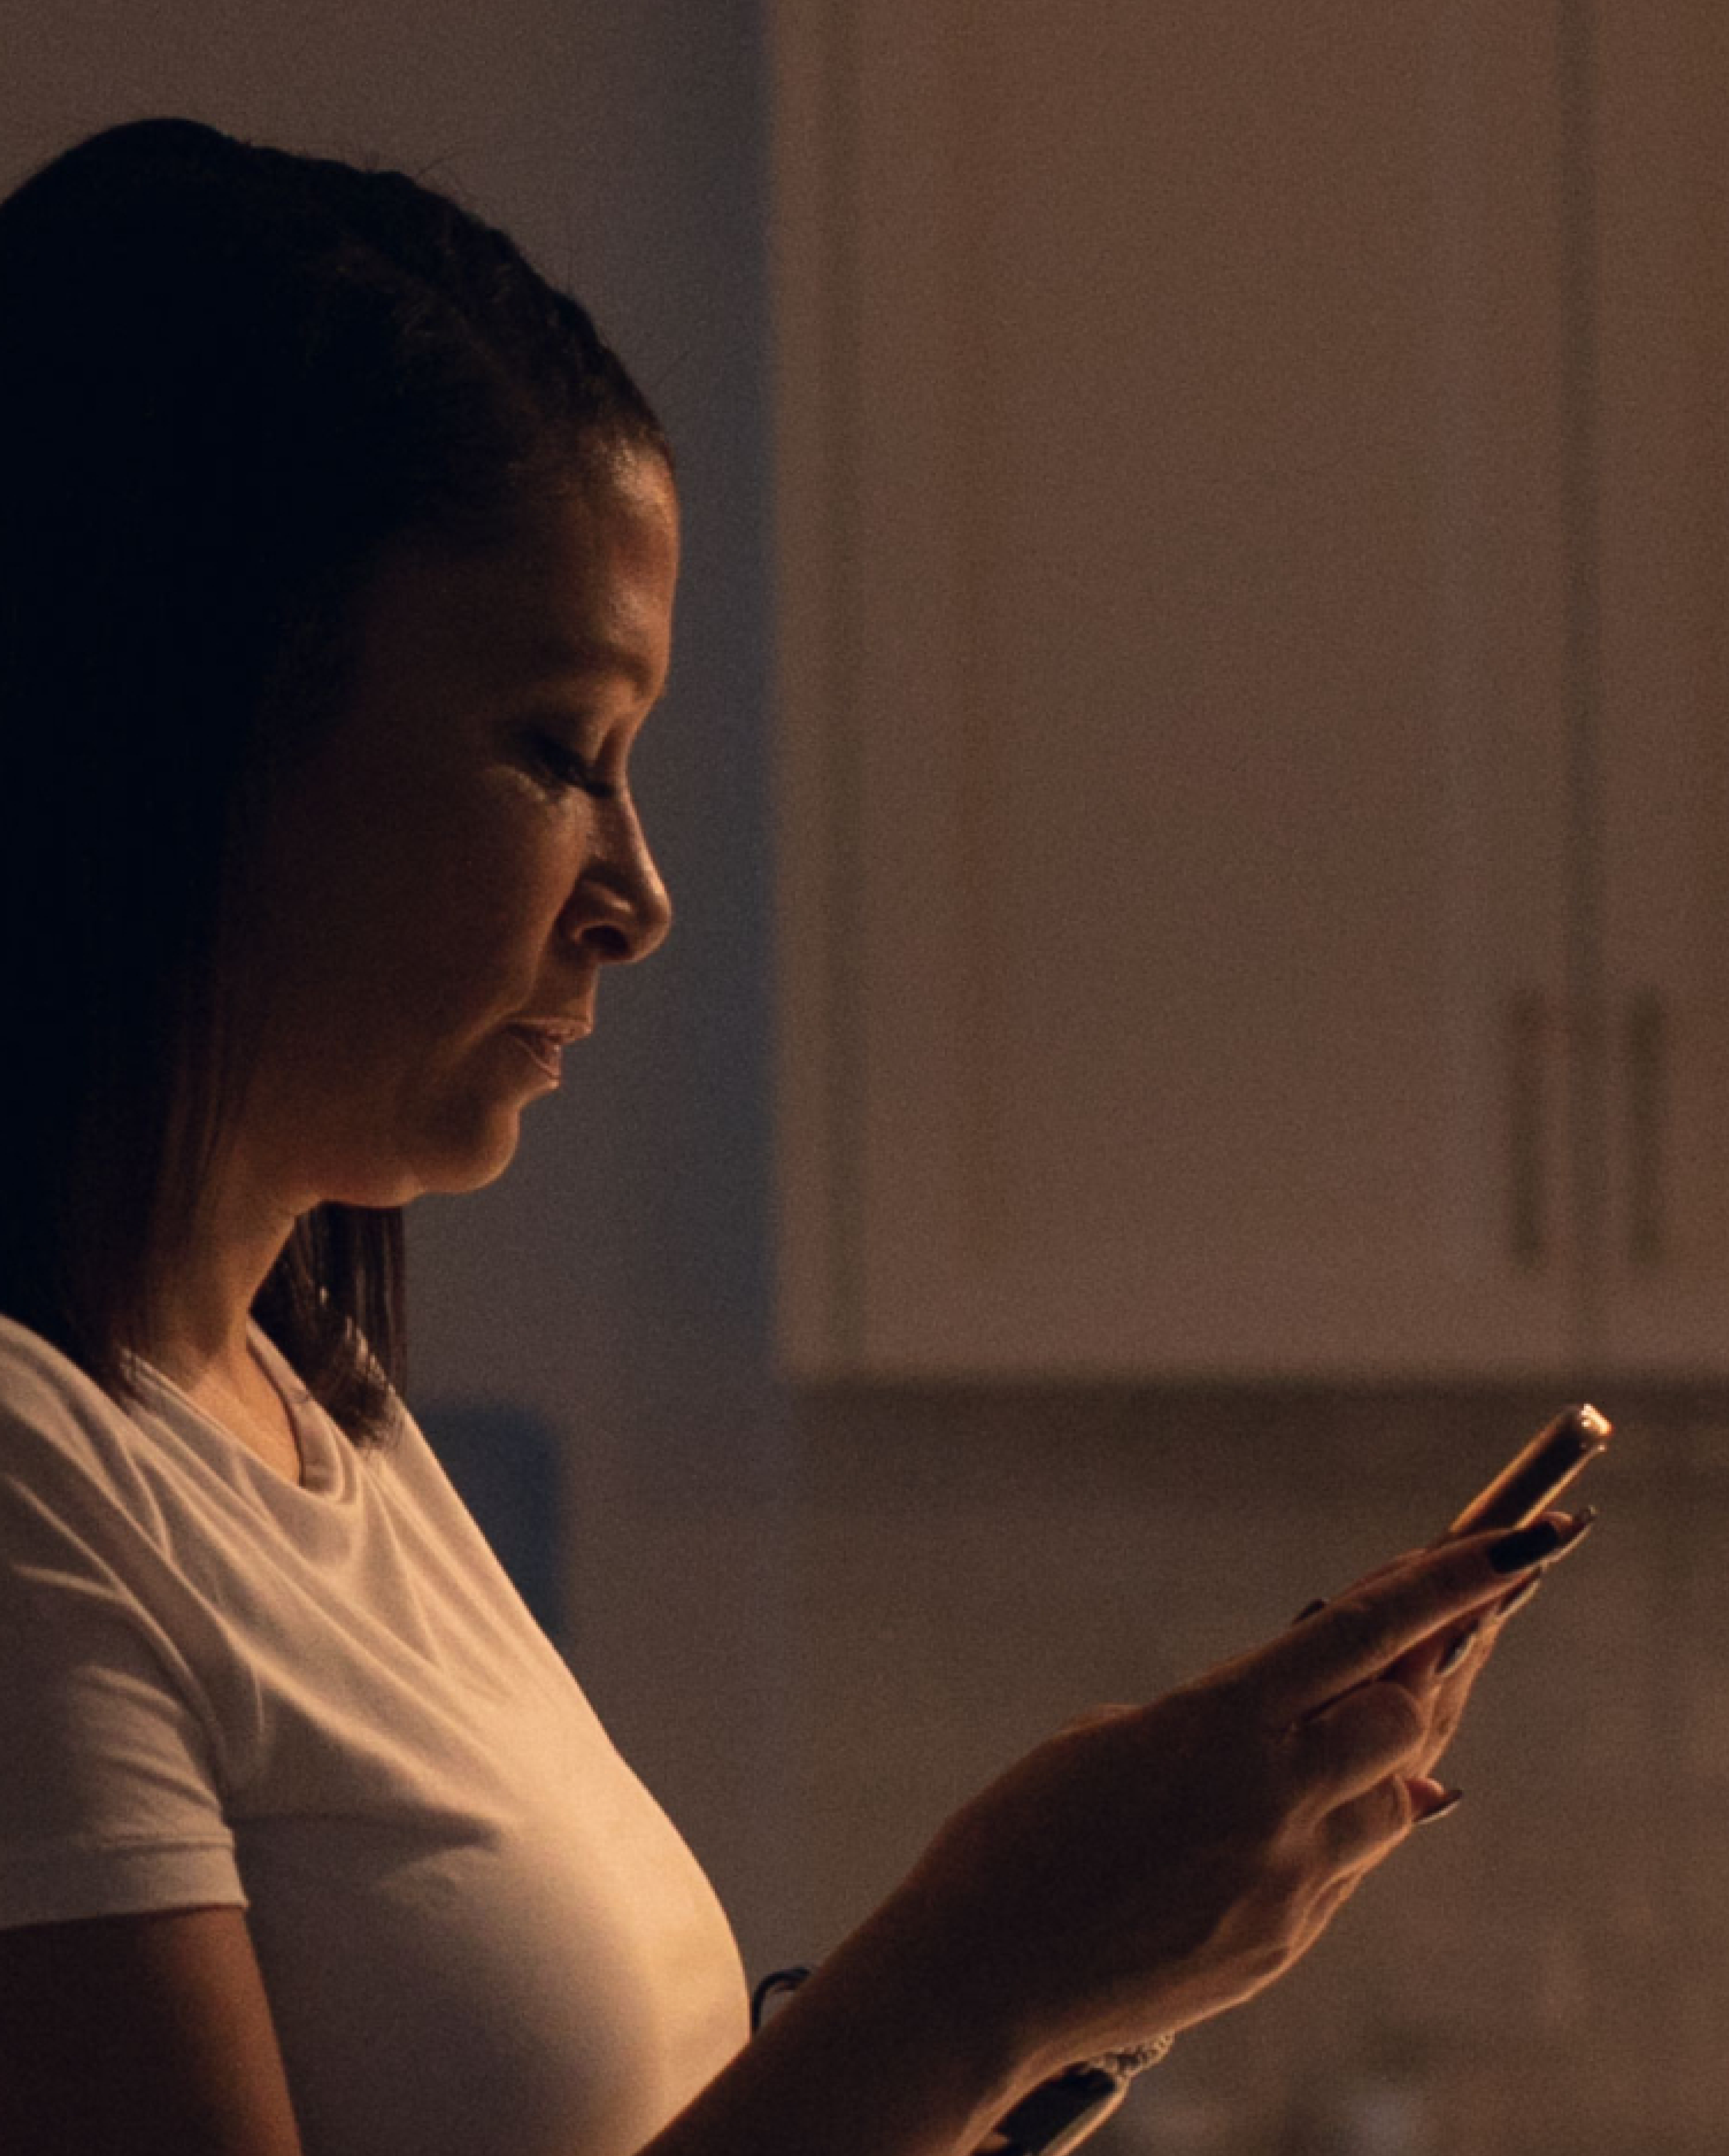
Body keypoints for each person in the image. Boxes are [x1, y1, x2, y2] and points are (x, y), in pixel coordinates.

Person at [0, 117, 1594, 2156]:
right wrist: (974, 1975)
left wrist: (1077, 1995)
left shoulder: (321, 1422)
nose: (639, 892)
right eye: (558, 751)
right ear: (190, 725)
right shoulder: (36, 1499)